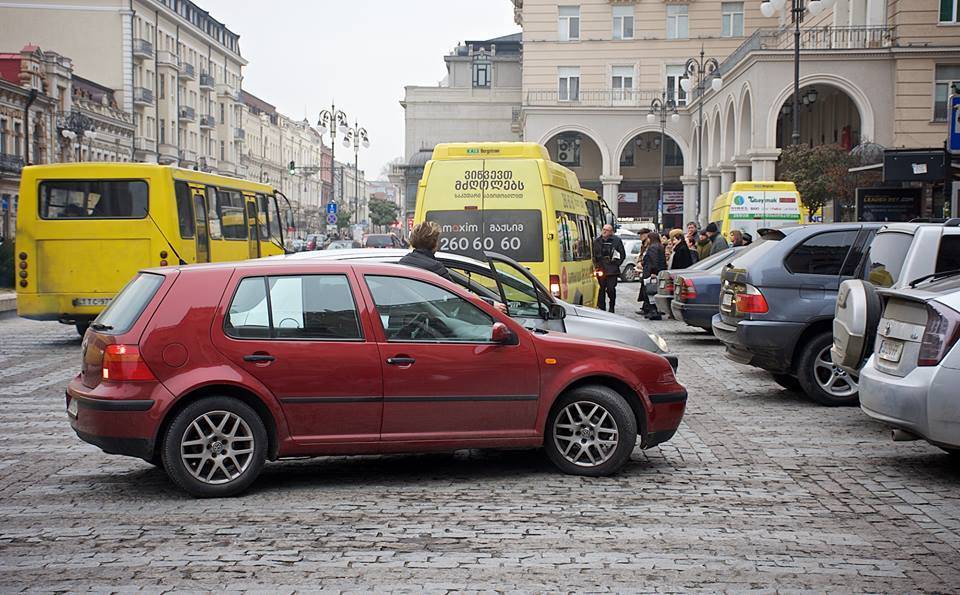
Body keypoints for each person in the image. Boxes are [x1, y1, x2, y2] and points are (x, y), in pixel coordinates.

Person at [400, 222, 508, 314]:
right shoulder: (434, 267)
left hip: (400, 324)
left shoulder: (403, 263)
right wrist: (490, 305)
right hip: (425, 327)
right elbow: (458, 296)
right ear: (435, 243)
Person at [592, 224, 625, 313]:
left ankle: (612, 305)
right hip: (600, 268)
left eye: (607, 230)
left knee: (611, 289)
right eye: (603, 229)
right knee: (601, 289)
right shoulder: (597, 241)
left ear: (611, 232)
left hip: (612, 270)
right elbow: (594, 255)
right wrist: (595, 265)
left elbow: (622, 255)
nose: (604, 231)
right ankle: (602, 307)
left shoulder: (616, 241)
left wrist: (617, 264)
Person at [637, 232, 667, 320]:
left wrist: (653, 271)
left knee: (650, 292)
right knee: (653, 291)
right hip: (657, 271)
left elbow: (654, 261)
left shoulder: (653, 247)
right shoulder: (659, 246)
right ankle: (652, 311)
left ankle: (653, 312)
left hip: (651, 272)